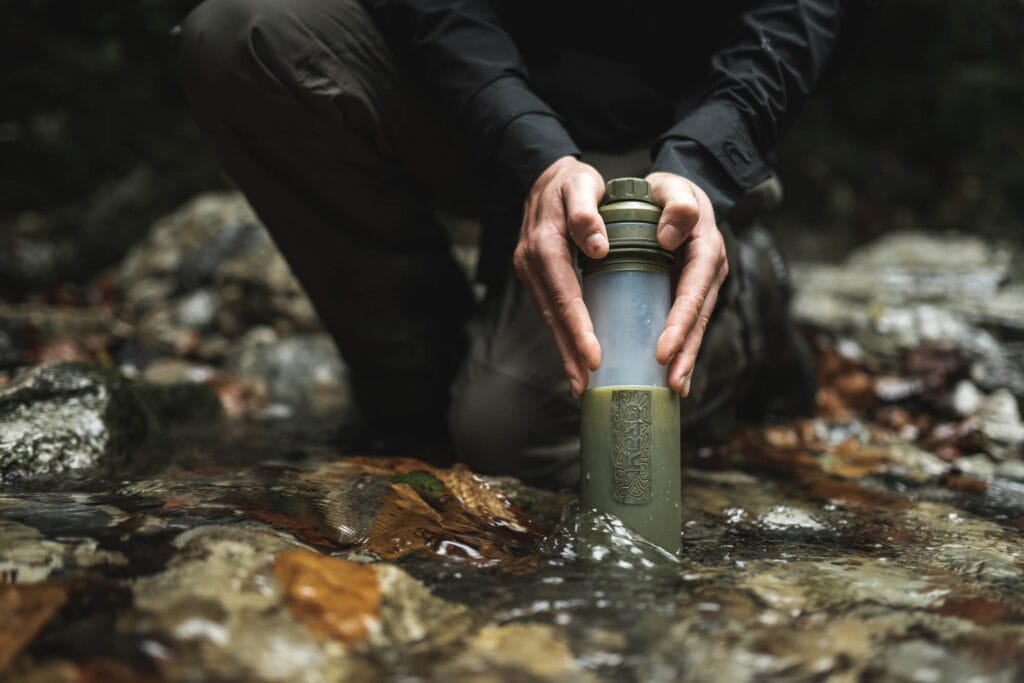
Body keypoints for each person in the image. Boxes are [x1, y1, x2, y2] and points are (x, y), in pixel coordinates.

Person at [178, 0, 869, 487]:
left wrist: (701, 165)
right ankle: (415, 392)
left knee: (508, 441)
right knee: (245, 35)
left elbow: (800, 12)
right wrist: (532, 149)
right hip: (466, 90)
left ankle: (749, 296)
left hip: (656, 138)